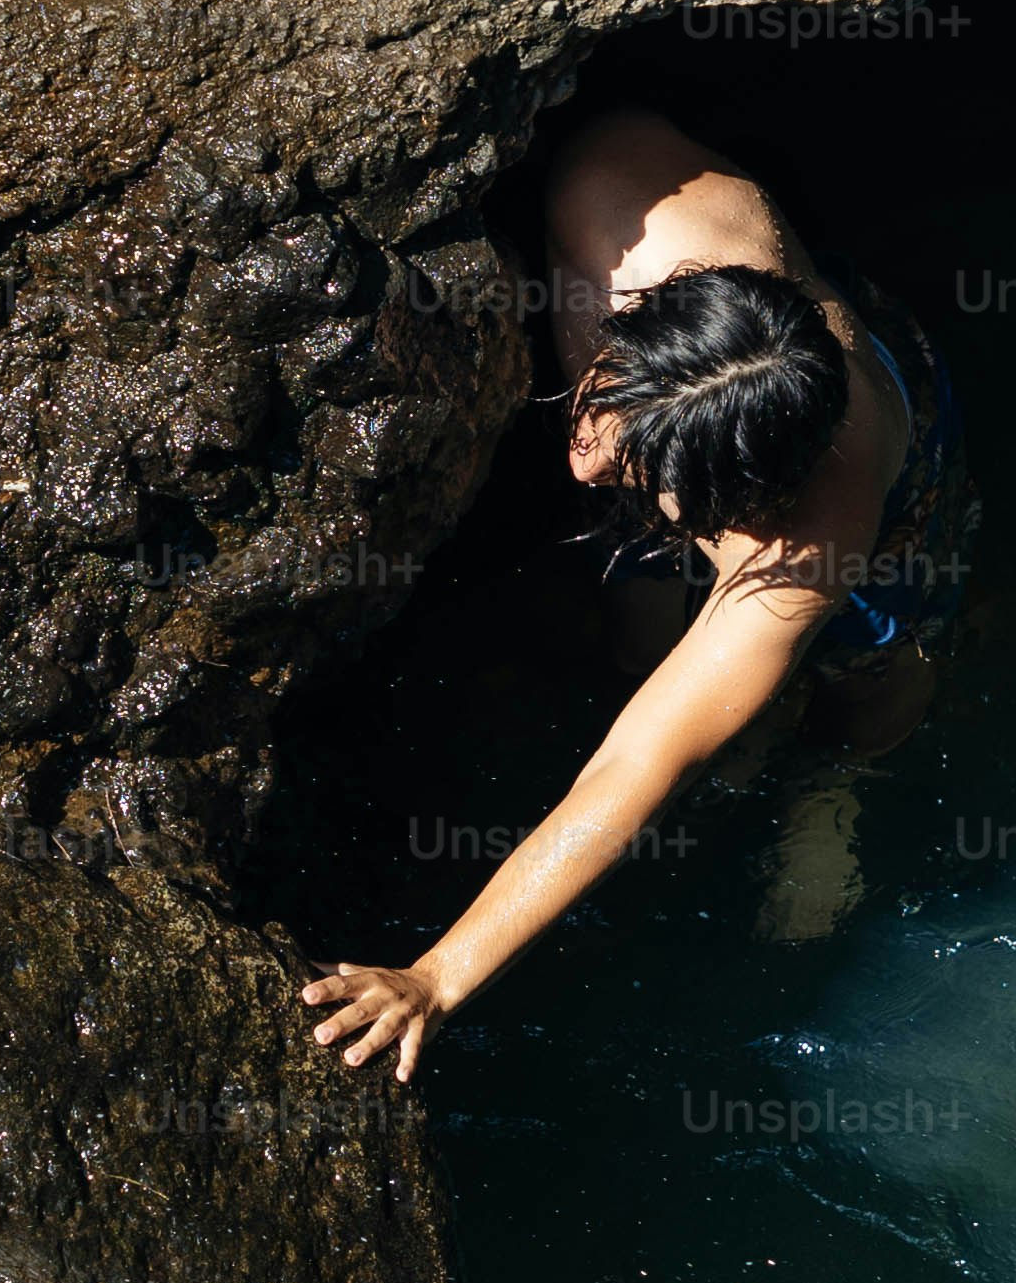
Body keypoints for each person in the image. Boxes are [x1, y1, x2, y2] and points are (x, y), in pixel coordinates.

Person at [296, 101, 968, 1078]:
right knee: (643, 644)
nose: (578, 461)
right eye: (600, 397)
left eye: (626, 461)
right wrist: (628, 431)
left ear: (735, 510)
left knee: (875, 665)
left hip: (856, 441)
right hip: (732, 393)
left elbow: (632, 773)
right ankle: (721, 687)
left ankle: (834, 789)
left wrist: (439, 975)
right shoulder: (619, 198)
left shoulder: (810, 545)